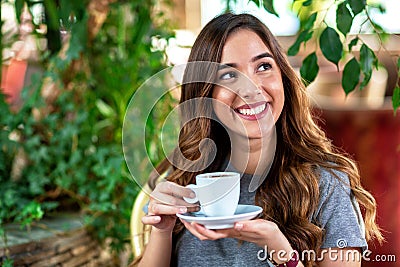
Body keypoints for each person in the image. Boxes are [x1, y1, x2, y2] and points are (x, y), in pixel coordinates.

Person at [135, 12, 383, 267]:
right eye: (229, 75)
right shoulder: (191, 179)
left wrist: (279, 249)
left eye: (264, 66)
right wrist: (162, 231)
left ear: (283, 79)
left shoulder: (327, 184)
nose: (251, 88)